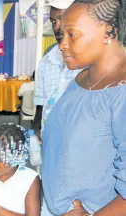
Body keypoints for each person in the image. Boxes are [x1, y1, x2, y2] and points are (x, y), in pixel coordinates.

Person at [42, 0, 126, 216]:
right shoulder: (80, 80)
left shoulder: (122, 92)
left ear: (108, 31)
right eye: (61, 34)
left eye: (72, 34)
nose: (62, 43)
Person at [32, 0, 81, 141]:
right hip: (50, 139)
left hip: (78, 142)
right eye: (53, 21)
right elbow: (41, 100)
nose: (57, 27)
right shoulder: (47, 59)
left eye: (62, 19)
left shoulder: (90, 61)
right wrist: (36, 127)